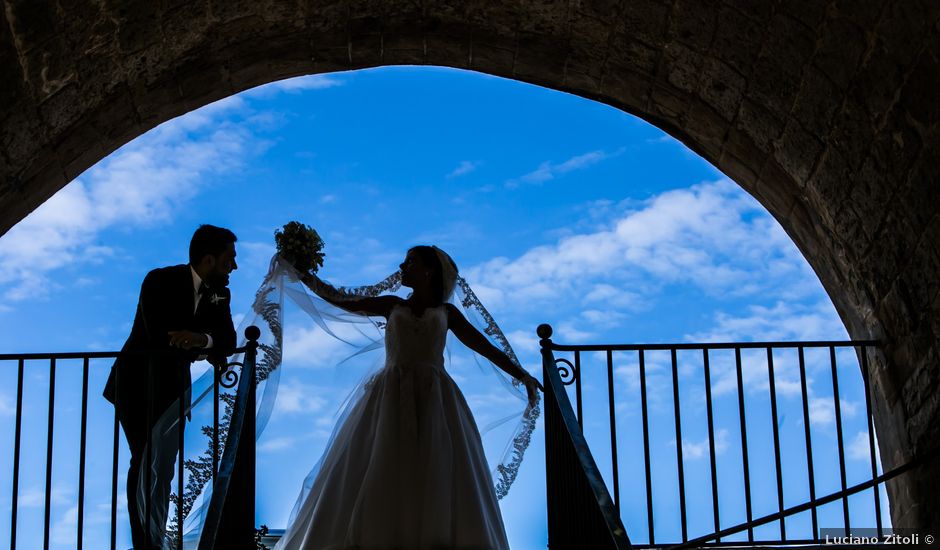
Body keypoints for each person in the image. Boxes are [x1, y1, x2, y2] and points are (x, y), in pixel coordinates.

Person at [273, 245, 542, 550]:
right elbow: (342, 301)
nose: (402, 266)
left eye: (411, 261)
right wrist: (303, 274)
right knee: (378, 462)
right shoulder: (391, 305)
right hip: (388, 395)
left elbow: (482, 344)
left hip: (436, 400)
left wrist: (521, 374)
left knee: (435, 468)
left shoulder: (446, 313)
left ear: (429, 271)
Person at [103, 224, 238, 550]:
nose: (233, 267)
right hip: (136, 384)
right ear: (207, 260)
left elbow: (229, 340)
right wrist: (201, 342)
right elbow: (158, 332)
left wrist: (200, 339)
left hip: (175, 392)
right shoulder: (158, 280)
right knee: (144, 460)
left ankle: (155, 536)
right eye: (228, 260)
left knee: (163, 469)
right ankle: (143, 544)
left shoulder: (221, 294)